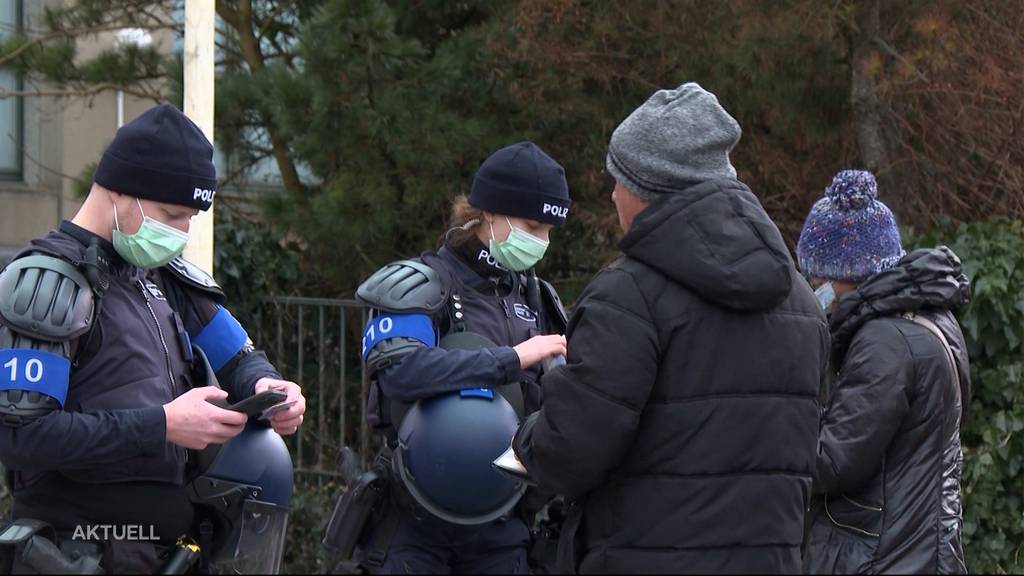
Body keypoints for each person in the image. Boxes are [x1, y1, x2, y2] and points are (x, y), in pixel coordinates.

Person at [512, 82, 829, 574]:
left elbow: (572, 449)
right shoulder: (803, 302)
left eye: (617, 179)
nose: (613, 192)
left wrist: (525, 437)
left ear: (644, 189)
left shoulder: (628, 296)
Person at [0, 103, 306, 573]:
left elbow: (240, 359)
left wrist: (268, 389)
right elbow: (22, 436)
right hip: (75, 548)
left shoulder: (165, 278)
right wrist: (162, 425)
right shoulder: (45, 283)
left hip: (169, 550)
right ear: (120, 192)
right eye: (172, 214)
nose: (181, 232)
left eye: (189, 218)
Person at [353, 141, 571, 574]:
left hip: (505, 525)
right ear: (489, 212)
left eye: (549, 230)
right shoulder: (419, 285)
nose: (542, 242)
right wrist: (509, 359)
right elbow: (400, 373)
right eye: (532, 225)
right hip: (415, 524)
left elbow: (564, 406)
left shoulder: (537, 298)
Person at [797, 170, 971, 574]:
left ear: (847, 275)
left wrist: (778, 417)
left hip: (882, 556)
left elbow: (833, 460)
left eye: (818, 275)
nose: (813, 286)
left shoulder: (885, 342)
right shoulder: (931, 321)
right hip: (920, 549)